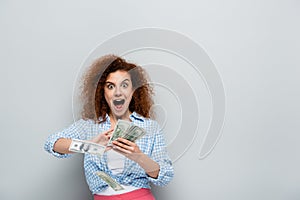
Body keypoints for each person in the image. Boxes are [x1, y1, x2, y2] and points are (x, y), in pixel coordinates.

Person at [44, 55, 174, 200]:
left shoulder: (149, 127)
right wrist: (88, 146)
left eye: (124, 85)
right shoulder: (90, 125)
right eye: (111, 86)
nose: (118, 92)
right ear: (102, 91)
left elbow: (165, 175)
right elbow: (52, 143)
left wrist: (138, 156)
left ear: (133, 90)